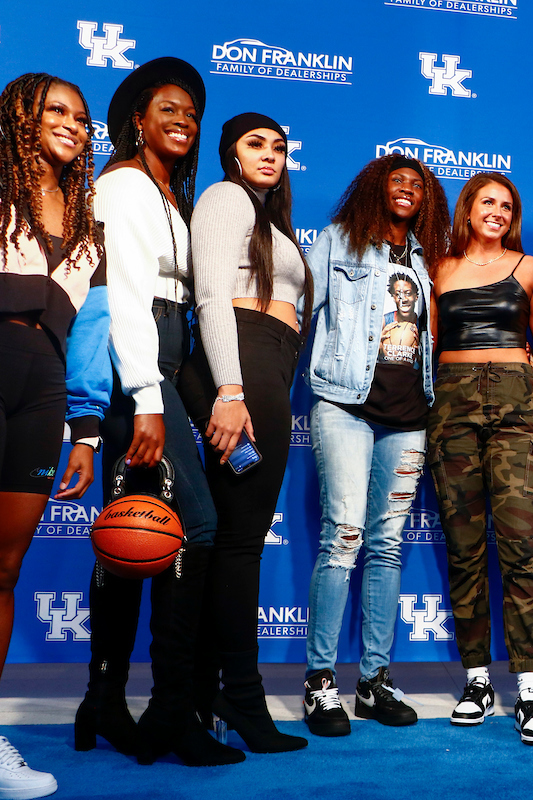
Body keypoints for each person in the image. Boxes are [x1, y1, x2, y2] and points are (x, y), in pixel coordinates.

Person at [87, 57, 247, 766]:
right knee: (190, 524)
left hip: (169, 361)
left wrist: (205, 396)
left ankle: (105, 698)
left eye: (191, 112)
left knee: (133, 538)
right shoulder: (122, 184)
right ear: (136, 121)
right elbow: (126, 296)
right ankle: (170, 715)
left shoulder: (167, 196)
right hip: (138, 367)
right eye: (168, 109)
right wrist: (148, 400)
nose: (183, 119)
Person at [176, 113, 311, 753]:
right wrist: (229, 390)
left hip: (267, 370)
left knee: (232, 538)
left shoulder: (271, 218)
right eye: (256, 144)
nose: (270, 154)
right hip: (243, 369)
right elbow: (210, 296)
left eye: (279, 147)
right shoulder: (227, 198)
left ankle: (207, 695)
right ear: (229, 153)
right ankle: (241, 696)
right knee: (239, 544)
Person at [301, 154, 449, 736]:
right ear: (374, 188)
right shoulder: (338, 240)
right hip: (344, 404)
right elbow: (299, 310)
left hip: (408, 418)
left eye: (418, 184)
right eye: (398, 180)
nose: (408, 189)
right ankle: (319, 684)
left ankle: (374, 680)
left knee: (386, 543)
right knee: (343, 537)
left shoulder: (421, 257)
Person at [0, 72, 108, 798]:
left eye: (81, 115)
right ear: (20, 115)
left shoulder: (89, 222)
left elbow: (92, 336)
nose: (71, 123)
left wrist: (86, 431)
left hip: (43, 390)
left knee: (4, 571)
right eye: (55, 110)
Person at [428, 171, 533, 745]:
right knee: (464, 549)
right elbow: (427, 350)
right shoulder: (439, 269)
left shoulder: (529, 270)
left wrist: (512, 370)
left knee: (521, 548)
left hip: (511, 416)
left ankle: (530, 687)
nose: (498, 212)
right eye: (488, 202)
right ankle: (478, 680)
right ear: (468, 209)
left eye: (507, 206)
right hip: (451, 412)